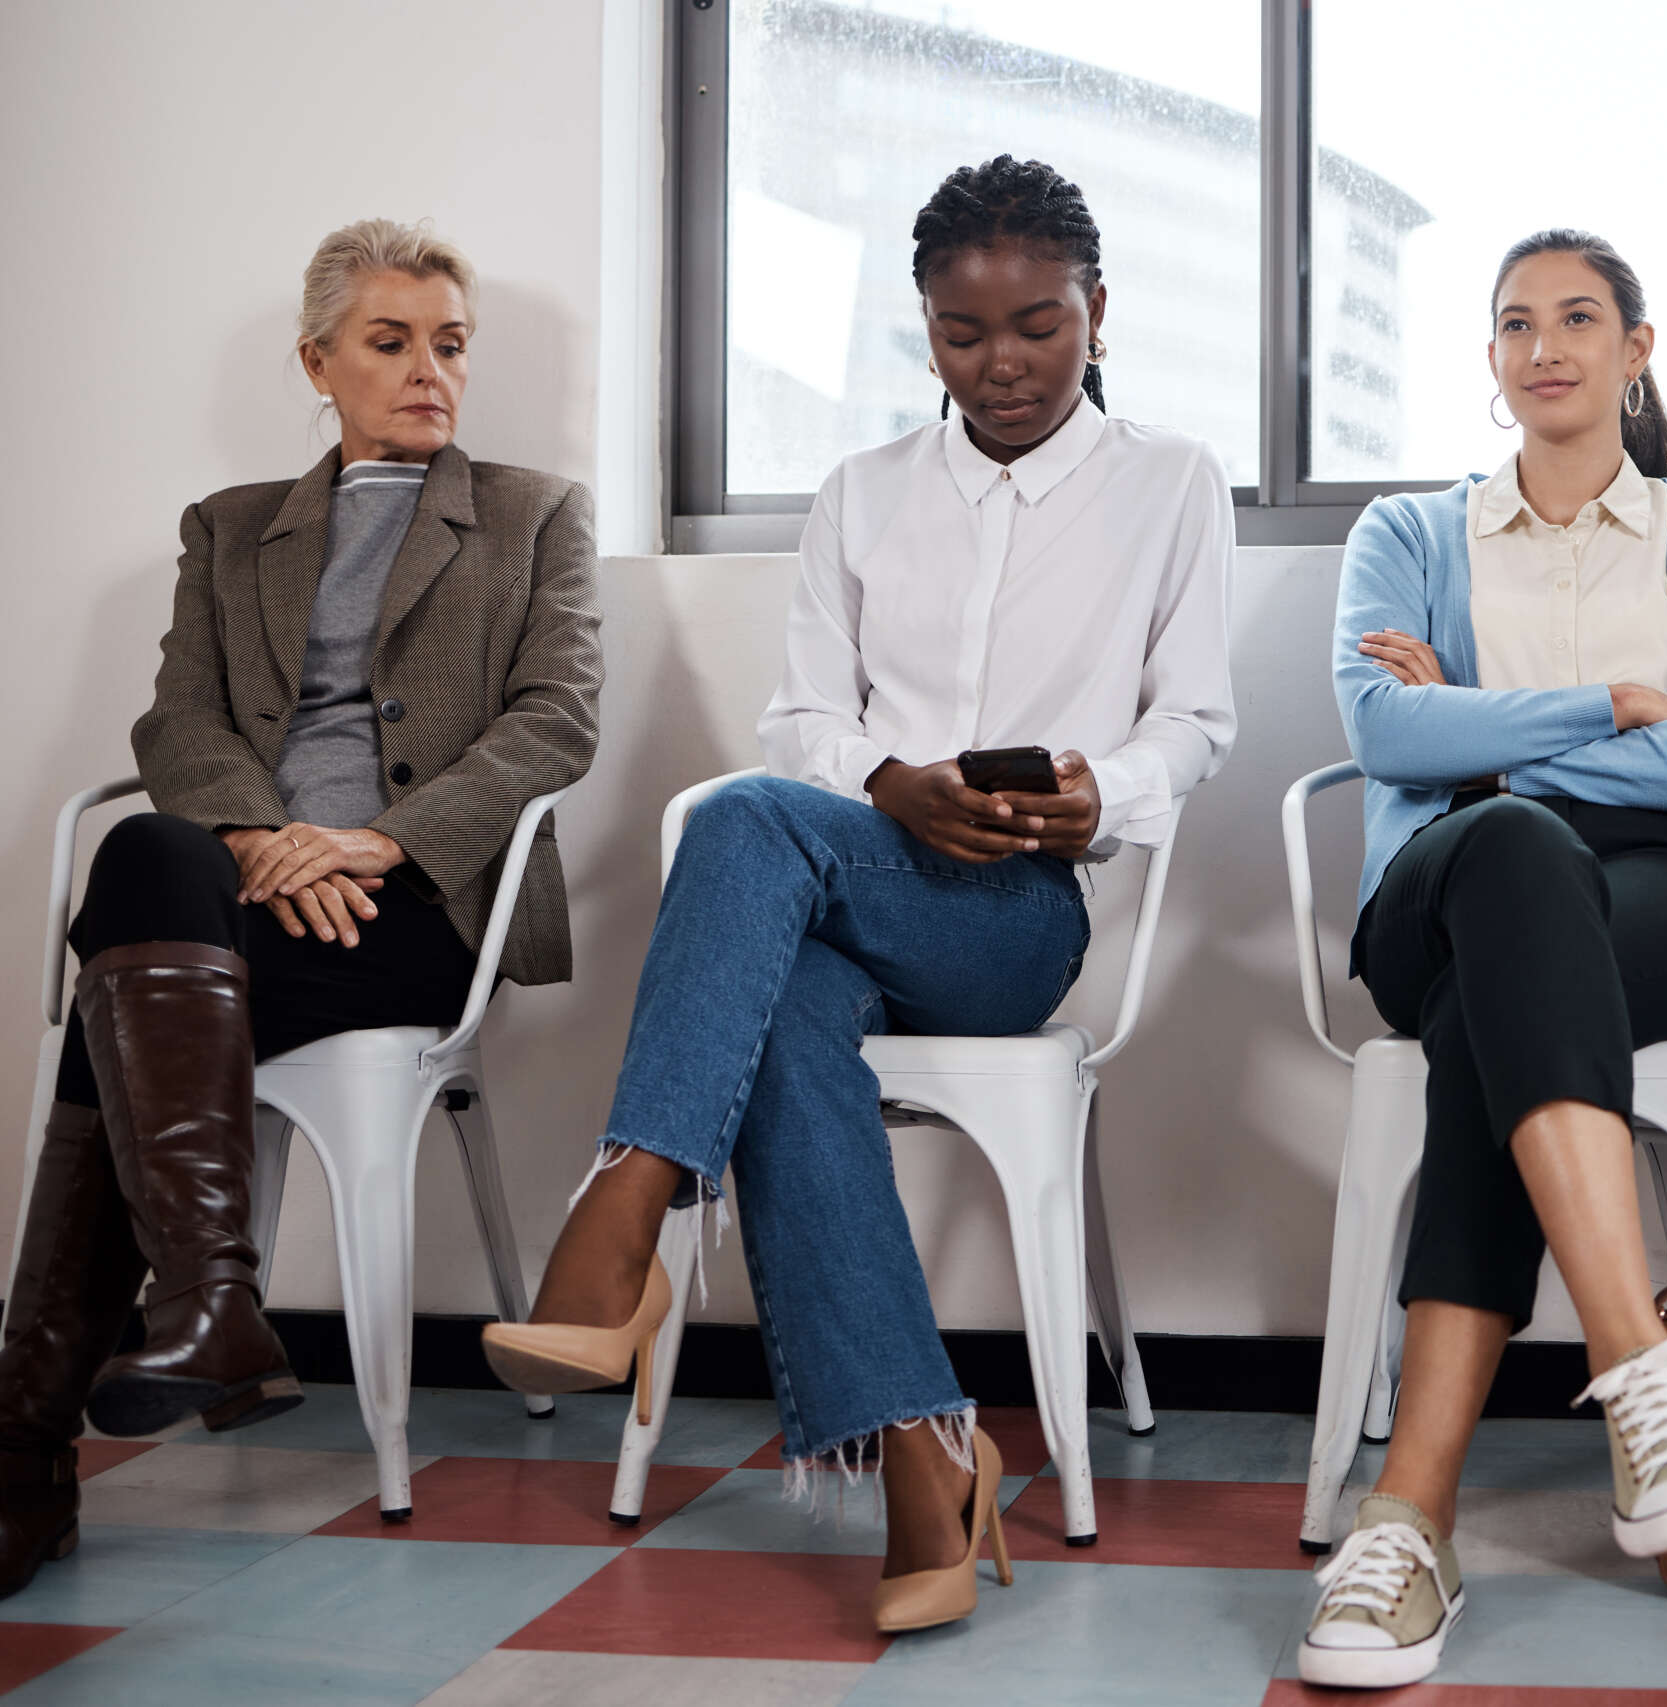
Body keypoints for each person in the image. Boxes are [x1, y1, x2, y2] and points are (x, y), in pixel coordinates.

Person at [483, 155, 1234, 1637]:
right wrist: (889, 784)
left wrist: (1103, 793)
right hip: (846, 889)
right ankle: (921, 1453)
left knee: (755, 826)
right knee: (782, 1008)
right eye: (964, 334)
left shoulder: (1172, 482)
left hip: (1019, 916)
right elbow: (802, 724)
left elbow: (1195, 725)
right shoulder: (864, 491)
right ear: (924, 328)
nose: (1003, 363)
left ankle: (629, 1201)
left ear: (1097, 309)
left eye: (1039, 325)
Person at [0, 219, 602, 1598]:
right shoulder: (230, 530)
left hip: (423, 907)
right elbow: (179, 719)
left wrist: (373, 847)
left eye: (449, 344)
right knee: (155, 855)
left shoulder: (533, 512)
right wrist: (268, 842)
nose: (428, 371)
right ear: (318, 362)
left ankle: (38, 1440)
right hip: (246, 898)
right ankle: (210, 1304)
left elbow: (553, 728)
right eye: (390, 344)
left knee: (117, 997)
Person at [1298, 230, 1667, 1690]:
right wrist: (1621, 710)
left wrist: (1491, 726)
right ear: (1492, 359)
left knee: (1496, 978)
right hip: (1445, 887)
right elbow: (1386, 739)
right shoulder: (1403, 533)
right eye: (1515, 323)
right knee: (1514, 868)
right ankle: (1646, 1376)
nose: (1546, 345)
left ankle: (1410, 1516)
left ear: (1638, 350)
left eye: (1581, 318)